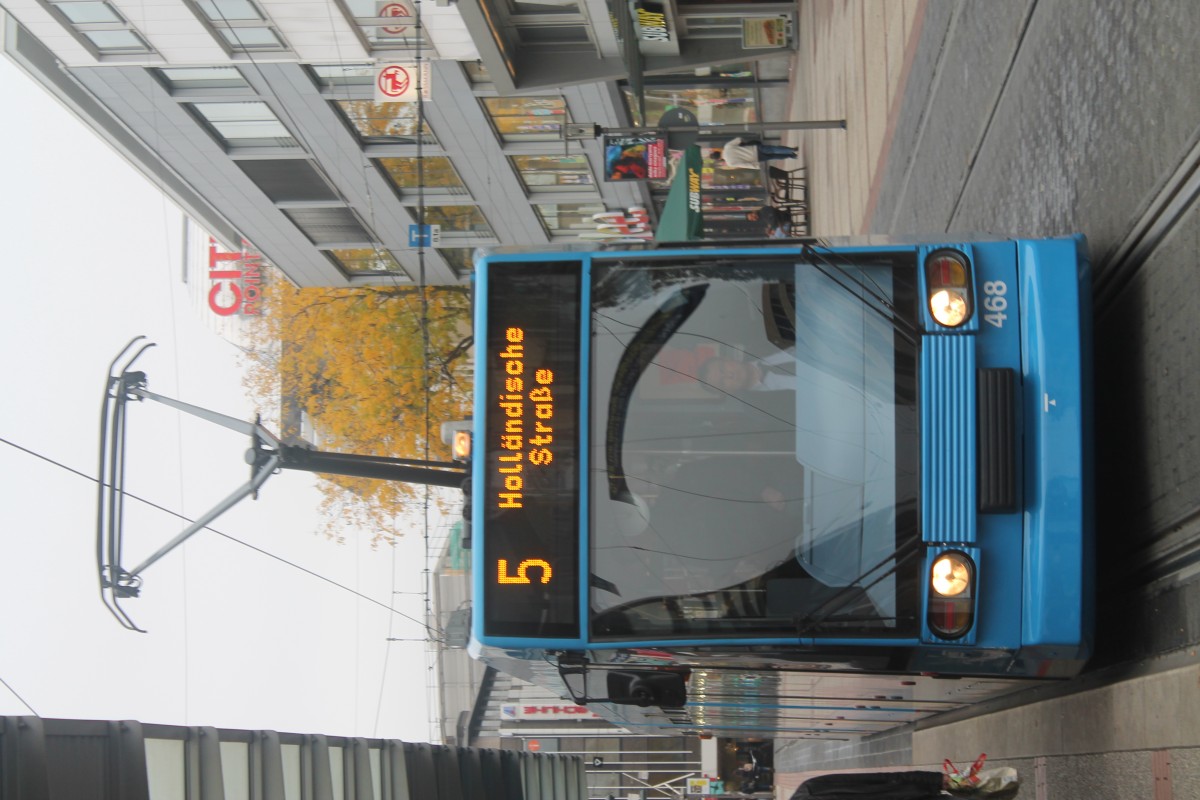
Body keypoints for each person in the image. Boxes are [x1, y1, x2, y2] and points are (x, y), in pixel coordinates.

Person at [712, 136, 798, 168]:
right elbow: (739, 139)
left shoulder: (730, 163)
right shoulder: (727, 146)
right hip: (754, 149)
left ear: (719, 158)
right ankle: (791, 150)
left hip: (756, 158)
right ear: (718, 151)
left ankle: (791, 155)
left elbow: (744, 165)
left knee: (773, 156)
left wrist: (755, 166)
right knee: (773, 149)